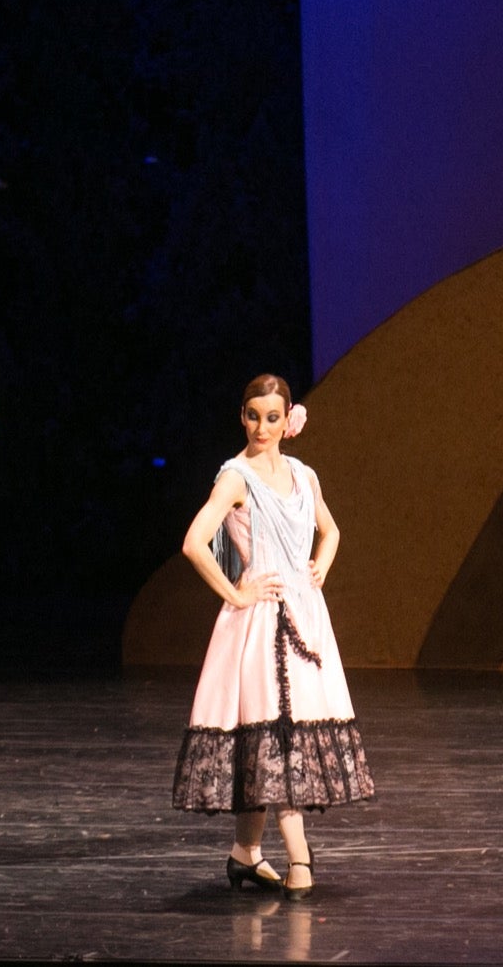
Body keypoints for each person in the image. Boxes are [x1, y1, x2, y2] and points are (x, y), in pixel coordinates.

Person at [171, 374, 373, 900]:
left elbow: (331, 531)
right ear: (243, 416)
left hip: (306, 619)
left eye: (273, 417)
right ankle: (301, 859)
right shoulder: (236, 477)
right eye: (253, 416)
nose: (262, 427)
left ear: (288, 420)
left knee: (274, 738)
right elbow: (194, 542)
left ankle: (245, 854)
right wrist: (236, 595)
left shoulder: (304, 476)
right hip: (261, 625)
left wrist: (318, 569)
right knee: (276, 737)